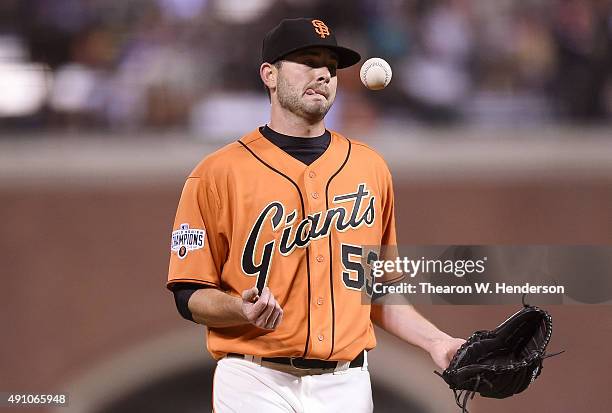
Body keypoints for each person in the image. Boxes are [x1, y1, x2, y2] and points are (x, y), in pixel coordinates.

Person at [167, 17, 464, 412]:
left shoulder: (369, 168)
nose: (323, 73)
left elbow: (376, 292)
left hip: (347, 383)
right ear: (269, 75)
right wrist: (241, 309)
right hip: (254, 379)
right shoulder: (217, 172)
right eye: (307, 60)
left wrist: (437, 342)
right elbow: (188, 295)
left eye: (331, 65)